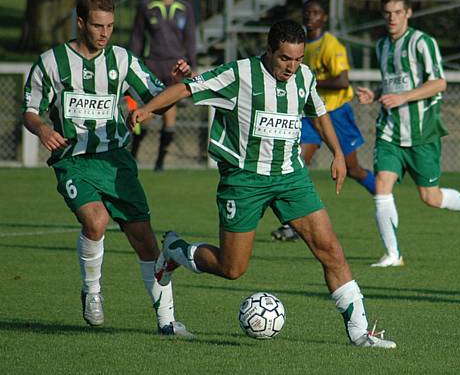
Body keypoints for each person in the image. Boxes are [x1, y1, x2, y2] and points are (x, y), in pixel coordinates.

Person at [129, 20, 397, 349]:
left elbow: (319, 111)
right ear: (269, 51)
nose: (292, 67)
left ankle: (361, 334)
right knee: (232, 268)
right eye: (285, 58)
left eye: (298, 59)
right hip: (244, 181)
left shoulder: (304, 77)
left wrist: (338, 154)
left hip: (290, 178)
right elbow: (186, 88)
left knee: (332, 252)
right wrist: (146, 109)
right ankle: (175, 251)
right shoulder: (239, 74)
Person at [21, 0, 193, 336]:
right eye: (98, 26)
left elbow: (153, 97)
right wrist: (42, 129)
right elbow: (30, 110)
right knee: (96, 221)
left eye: (111, 27)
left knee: (145, 240)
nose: (104, 33)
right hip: (74, 159)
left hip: (117, 161)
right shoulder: (52, 62)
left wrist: (175, 83)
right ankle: (93, 292)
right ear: (80, 23)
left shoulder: (122, 60)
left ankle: (167, 323)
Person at [356, 0, 460, 268]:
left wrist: (403, 97)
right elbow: (392, 83)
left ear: (408, 13)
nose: (392, 18)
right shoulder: (382, 45)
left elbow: (439, 82)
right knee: (382, 186)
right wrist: (374, 93)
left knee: (430, 198)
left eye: (397, 12)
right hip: (390, 132)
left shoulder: (422, 43)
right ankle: (393, 255)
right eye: (387, 13)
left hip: (422, 133)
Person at [271, 0, 376, 242]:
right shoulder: (301, 45)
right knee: (294, 164)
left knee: (353, 169)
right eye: (307, 12)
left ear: (324, 17)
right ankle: (292, 224)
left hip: (336, 113)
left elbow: (342, 81)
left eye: (316, 12)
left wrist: (307, 81)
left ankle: (383, 197)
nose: (310, 16)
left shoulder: (332, 45)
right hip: (310, 114)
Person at [129, 0, 197, 171]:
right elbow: (137, 37)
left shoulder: (185, 8)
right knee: (147, 112)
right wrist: (131, 62)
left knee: (170, 112)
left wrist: (192, 65)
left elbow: (190, 39)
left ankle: (160, 162)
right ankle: (133, 153)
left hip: (175, 66)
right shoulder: (146, 6)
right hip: (151, 65)